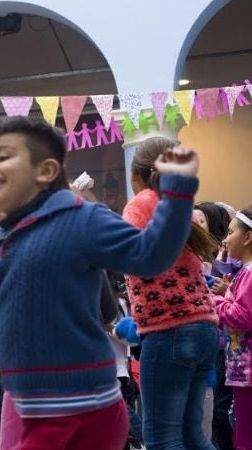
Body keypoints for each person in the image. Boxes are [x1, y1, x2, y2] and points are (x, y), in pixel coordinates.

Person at [0, 116, 201, 449]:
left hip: (92, 409)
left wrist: (177, 194)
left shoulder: (82, 219)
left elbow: (150, 255)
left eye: (3, 156)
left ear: (46, 171)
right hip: (36, 411)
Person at [122, 137, 219, 449]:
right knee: (192, 434)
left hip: (170, 330)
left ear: (135, 176)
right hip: (204, 327)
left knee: (161, 438)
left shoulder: (140, 204)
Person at [212, 206, 252, 449]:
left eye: (230, 232)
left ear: (248, 237)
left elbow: (244, 316)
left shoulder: (249, 273)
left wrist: (214, 301)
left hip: (248, 371)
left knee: (245, 436)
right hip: (244, 371)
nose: (225, 240)